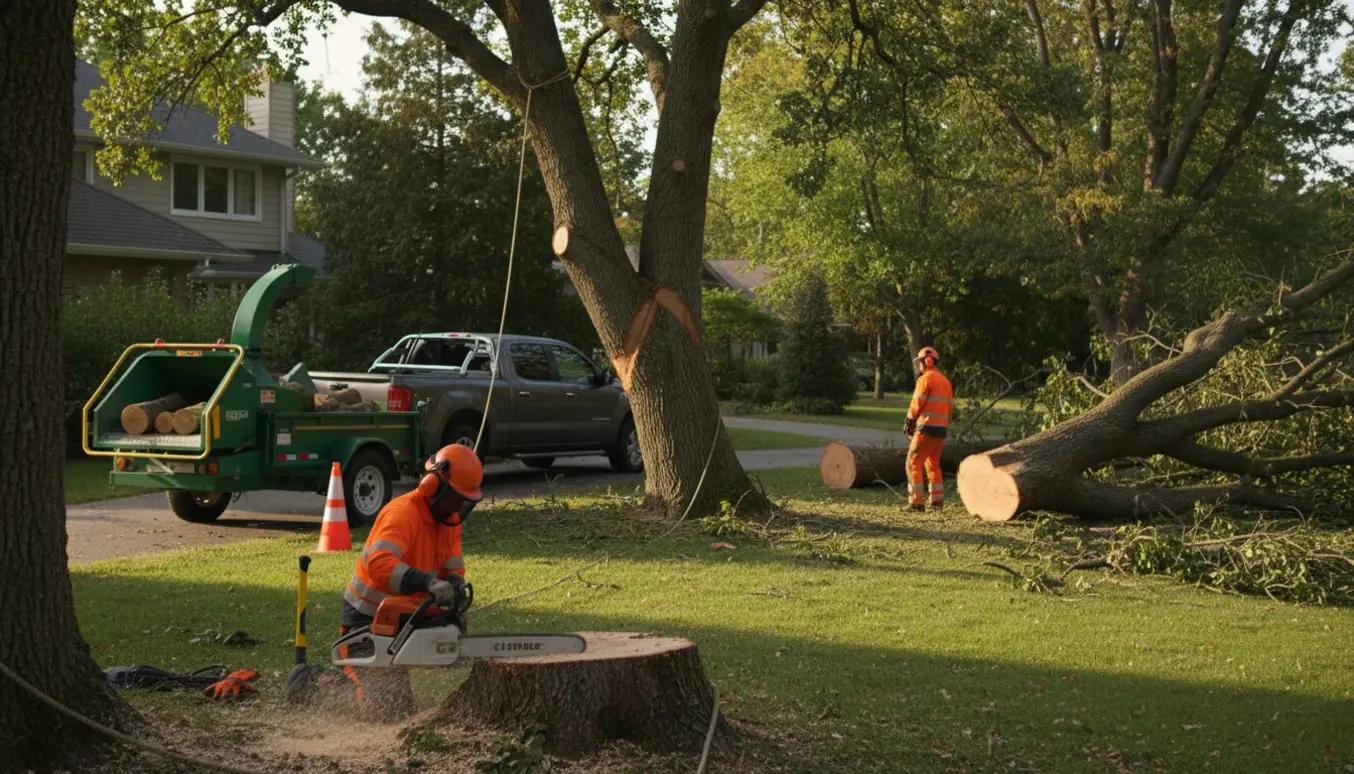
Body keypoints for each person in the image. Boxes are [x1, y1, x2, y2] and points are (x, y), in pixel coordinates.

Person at [285, 444, 483, 719]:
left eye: (464, 501)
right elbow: (379, 565)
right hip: (366, 619)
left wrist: (452, 599)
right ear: (431, 485)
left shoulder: (449, 523)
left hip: (405, 615)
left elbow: (453, 570)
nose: (457, 507)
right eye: (454, 498)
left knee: (398, 710)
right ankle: (309, 682)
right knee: (378, 710)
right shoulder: (402, 513)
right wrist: (427, 582)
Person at [903, 346, 953, 512]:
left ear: (927, 361)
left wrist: (909, 421)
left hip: (926, 428)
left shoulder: (925, 379)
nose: (919, 366)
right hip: (940, 431)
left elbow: (917, 403)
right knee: (933, 465)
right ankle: (937, 501)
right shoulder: (946, 382)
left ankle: (916, 502)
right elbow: (949, 408)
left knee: (913, 463)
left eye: (920, 363)